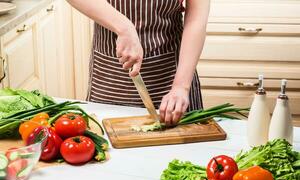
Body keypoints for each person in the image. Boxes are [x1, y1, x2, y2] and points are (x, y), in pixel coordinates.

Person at [67, 0, 210, 126]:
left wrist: (181, 87)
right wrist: (124, 28)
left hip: (172, 72)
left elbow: (196, 19)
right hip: (110, 76)